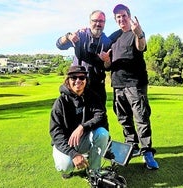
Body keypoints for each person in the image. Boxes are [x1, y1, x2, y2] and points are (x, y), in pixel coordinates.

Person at [105, 4, 159, 169]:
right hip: (117, 84)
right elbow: (107, 65)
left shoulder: (136, 33)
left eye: (124, 16)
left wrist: (139, 34)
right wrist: (105, 60)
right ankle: (132, 144)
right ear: (115, 19)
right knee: (123, 117)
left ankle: (147, 151)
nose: (121, 19)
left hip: (135, 84)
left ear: (129, 16)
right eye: (118, 17)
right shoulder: (113, 37)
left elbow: (141, 47)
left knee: (141, 117)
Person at [49, 65, 110, 179]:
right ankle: (69, 168)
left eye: (82, 78)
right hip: (66, 143)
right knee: (65, 166)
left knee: (102, 133)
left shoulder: (93, 96)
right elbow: (55, 133)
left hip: (83, 138)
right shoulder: (60, 102)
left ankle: (93, 170)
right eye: (74, 77)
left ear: (86, 80)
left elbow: (100, 116)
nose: (78, 81)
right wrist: (73, 154)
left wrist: (82, 127)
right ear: (68, 81)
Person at [56, 10, 112, 108]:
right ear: (90, 22)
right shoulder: (80, 35)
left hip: (97, 87)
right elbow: (59, 45)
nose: (98, 24)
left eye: (101, 21)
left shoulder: (107, 42)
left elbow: (108, 67)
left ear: (104, 23)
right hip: (77, 83)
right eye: (95, 20)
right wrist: (68, 36)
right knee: (73, 117)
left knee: (99, 117)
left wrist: (107, 60)